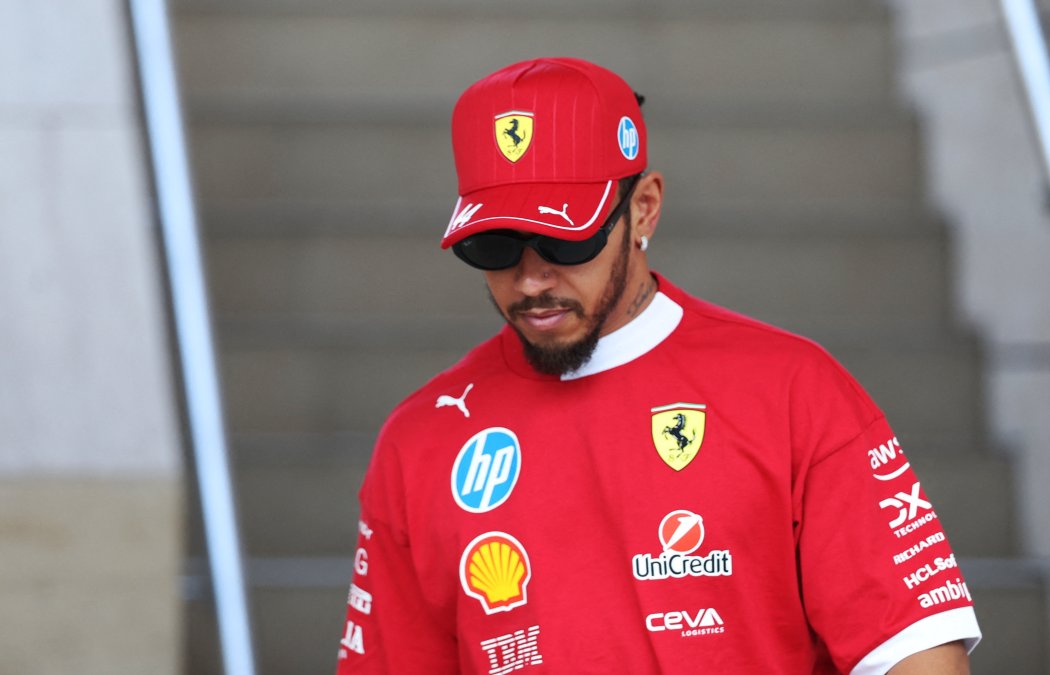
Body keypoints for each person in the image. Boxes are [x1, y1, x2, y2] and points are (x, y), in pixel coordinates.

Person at [335, 57, 981, 675]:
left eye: (565, 239)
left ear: (644, 207)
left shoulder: (794, 390)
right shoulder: (419, 438)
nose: (531, 279)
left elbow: (918, 652)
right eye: (493, 245)